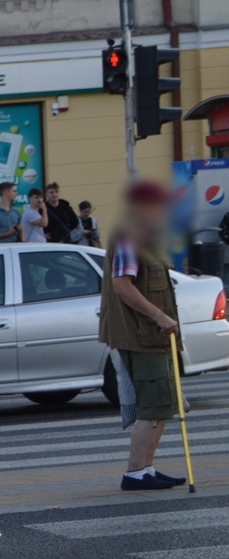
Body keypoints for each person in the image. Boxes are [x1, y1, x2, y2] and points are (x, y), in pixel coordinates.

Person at [101, 180, 186, 490]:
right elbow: (122, 285)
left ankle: (146, 468)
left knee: (161, 404)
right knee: (153, 405)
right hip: (142, 335)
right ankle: (135, 472)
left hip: (152, 335)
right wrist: (160, 315)